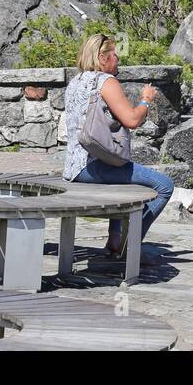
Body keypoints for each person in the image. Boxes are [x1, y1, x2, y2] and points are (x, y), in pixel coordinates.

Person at [62, 34, 175, 258]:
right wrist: (146, 100)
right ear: (102, 57)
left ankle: (115, 241)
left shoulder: (76, 81)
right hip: (93, 166)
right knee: (164, 185)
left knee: (123, 176)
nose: (118, 60)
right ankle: (129, 246)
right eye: (115, 55)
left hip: (73, 167)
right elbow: (132, 120)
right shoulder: (106, 82)